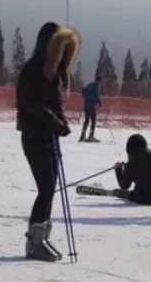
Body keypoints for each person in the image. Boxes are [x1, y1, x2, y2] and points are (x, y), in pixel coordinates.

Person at [16, 22, 81, 262]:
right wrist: (55, 121)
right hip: (34, 136)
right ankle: (34, 242)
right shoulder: (33, 69)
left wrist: (61, 121)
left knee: (51, 187)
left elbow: (54, 103)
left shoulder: (51, 71)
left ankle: (42, 237)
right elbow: (31, 104)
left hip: (48, 136)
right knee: (45, 188)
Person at [112, 134, 151, 205]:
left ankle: (122, 194)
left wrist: (118, 170)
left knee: (132, 194)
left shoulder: (130, 165)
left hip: (143, 197)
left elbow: (124, 185)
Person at [79, 76, 102, 142]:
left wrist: (87, 98)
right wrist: (100, 104)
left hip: (86, 106)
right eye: (100, 82)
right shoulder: (96, 87)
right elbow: (97, 96)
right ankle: (91, 136)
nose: (100, 84)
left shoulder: (90, 85)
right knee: (93, 121)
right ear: (99, 81)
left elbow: (83, 92)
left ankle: (82, 136)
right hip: (91, 107)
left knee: (86, 121)